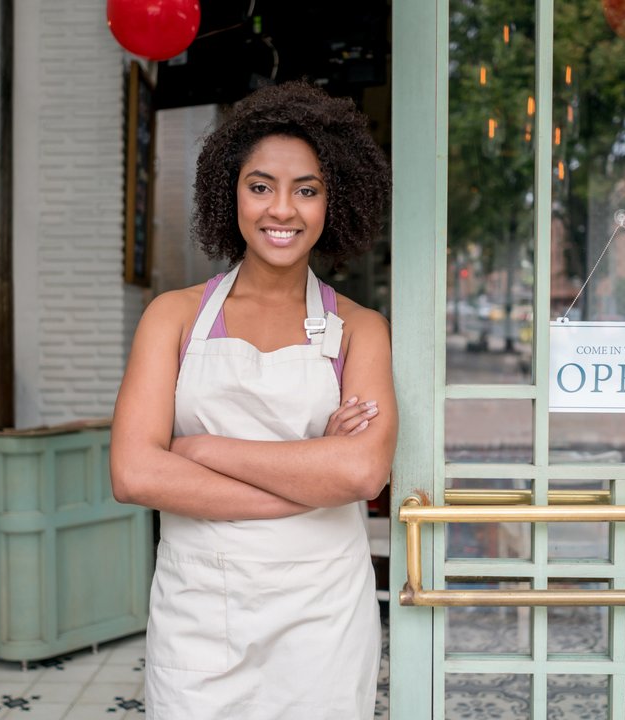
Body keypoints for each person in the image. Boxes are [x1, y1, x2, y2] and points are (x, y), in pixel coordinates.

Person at [109, 81, 397, 719]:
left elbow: (361, 472)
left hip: (322, 612)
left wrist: (199, 450)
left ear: (333, 200)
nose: (282, 210)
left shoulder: (361, 328)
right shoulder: (172, 317)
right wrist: (308, 474)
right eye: (261, 186)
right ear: (230, 192)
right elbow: (133, 474)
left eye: (308, 189)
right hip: (200, 608)